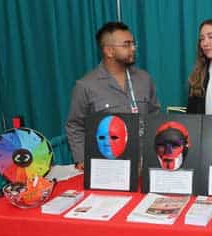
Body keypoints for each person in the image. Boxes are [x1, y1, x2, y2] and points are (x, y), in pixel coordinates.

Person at [66, 22, 160, 168]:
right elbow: (75, 125)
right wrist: (81, 158)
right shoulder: (85, 86)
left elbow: (155, 116)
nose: (133, 48)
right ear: (109, 51)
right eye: (126, 45)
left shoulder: (144, 79)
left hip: (144, 163)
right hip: (109, 165)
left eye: (133, 43)